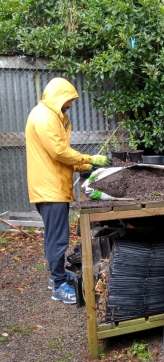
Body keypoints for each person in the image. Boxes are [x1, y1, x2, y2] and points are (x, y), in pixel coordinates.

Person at [25, 77, 110, 304]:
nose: (71, 105)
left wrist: (85, 166)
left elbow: (62, 154)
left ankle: (58, 276)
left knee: (54, 236)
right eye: (69, 100)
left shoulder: (52, 116)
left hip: (51, 185)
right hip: (49, 188)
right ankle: (58, 285)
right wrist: (90, 158)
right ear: (58, 97)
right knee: (58, 239)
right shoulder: (43, 117)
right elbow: (59, 152)